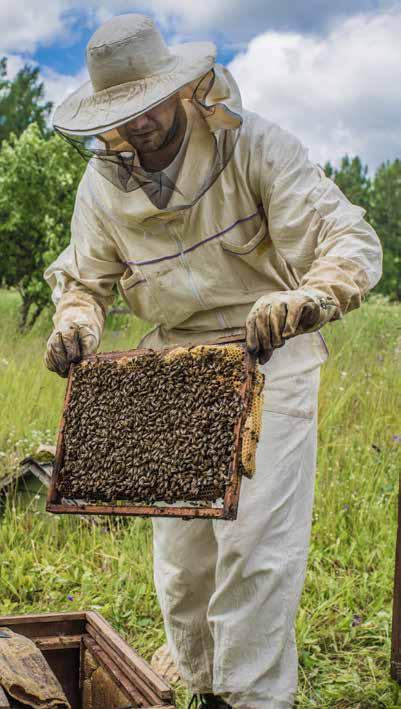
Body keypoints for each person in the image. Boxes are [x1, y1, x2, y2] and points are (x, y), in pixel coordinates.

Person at [44, 14, 382, 709]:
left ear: (182, 87)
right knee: (185, 563)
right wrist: (76, 319)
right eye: (123, 113)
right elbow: (83, 279)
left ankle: (254, 696)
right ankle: (202, 684)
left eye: (148, 106)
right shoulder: (101, 186)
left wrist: (312, 296)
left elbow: (347, 236)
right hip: (173, 362)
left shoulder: (252, 142)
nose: (139, 126)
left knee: (256, 547)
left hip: (270, 349)